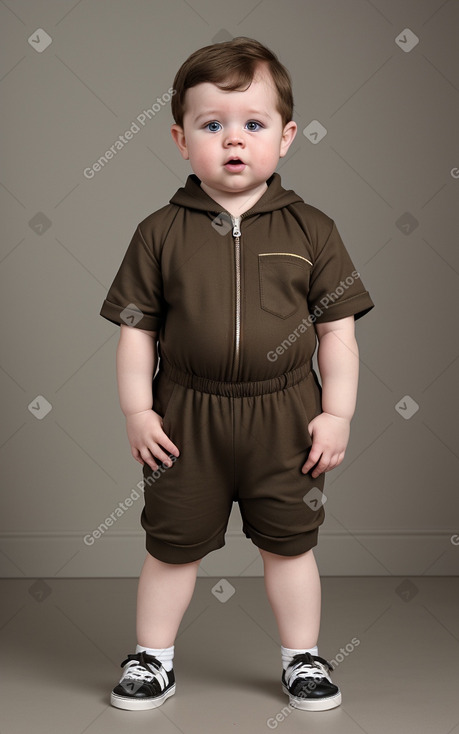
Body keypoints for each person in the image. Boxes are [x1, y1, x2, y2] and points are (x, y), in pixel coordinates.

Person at [100, 36, 374, 713]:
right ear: (179, 137)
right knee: (170, 546)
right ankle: (151, 659)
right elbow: (138, 334)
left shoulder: (312, 229)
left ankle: (302, 657)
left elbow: (338, 333)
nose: (232, 140)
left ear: (285, 137)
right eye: (210, 124)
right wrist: (139, 411)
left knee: (289, 546)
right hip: (185, 416)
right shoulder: (158, 232)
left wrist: (336, 413)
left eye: (252, 124)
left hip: (284, 416)